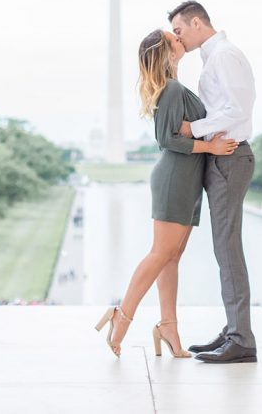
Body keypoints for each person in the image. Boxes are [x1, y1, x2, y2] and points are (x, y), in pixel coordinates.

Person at [95, 29, 238, 357]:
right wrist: (211, 146)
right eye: (172, 36)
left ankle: (168, 326)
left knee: (172, 256)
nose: (179, 36)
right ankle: (122, 315)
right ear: (166, 50)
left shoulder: (174, 87)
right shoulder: (171, 90)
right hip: (175, 178)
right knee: (160, 253)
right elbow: (167, 139)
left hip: (186, 179)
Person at [169, 0, 257, 364]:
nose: (177, 38)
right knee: (224, 248)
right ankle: (233, 330)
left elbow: (237, 109)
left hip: (230, 157)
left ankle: (241, 339)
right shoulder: (214, 56)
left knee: (227, 248)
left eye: (178, 31)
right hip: (223, 157)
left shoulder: (223, 55)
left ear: (195, 22)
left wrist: (194, 129)